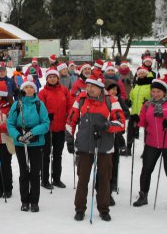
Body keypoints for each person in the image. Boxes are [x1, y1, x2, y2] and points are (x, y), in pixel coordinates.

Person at [65, 74, 125, 222]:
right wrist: (69, 139)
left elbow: (121, 123)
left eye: (93, 87)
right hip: (84, 146)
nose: (89, 89)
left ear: (101, 88)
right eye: (88, 86)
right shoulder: (81, 100)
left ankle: (104, 209)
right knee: (83, 179)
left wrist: (106, 126)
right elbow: (70, 120)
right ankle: (80, 209)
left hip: (104, 147)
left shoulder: (112, 101)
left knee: (104, 180)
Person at [133, 76, 167, 210]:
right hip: (151, 143)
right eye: (153, 91)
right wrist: (136, 120)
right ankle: (143, 195)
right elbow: (143, 122)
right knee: (146, 170)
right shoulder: (147, 105)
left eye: (158, 91)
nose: (155, 94)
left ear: (164, 92)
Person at [7, 76, 49, 212]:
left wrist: (32, 133)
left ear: (35, 90)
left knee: (35, 173)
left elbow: (46, 123)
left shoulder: (39, 104)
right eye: (26, 87)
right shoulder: (17, 104)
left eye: (31, 87)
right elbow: (10, 124)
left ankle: (34, 201)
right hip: (21, 144)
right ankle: (24, 200)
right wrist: (18, 136)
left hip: (36, 143)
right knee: (24, 172)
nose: (29, 89)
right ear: (22, 89)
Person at [38, 68, 73, 189]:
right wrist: (46, 116)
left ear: (58, 78)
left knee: (58, 154)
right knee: (46, 154)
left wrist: (69, 115)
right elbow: (40, 107)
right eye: (50, 77)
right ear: (47, 79)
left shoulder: (64, 90)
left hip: (60, 128)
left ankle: (57, 178)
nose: (52, 78)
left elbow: (70, 105)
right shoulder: (43, 92)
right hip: (48, 129)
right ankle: (44, 179)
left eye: (54, 77)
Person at [104, 79, 129, 205]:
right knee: (106, 163)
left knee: (115, 160)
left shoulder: (119, 100)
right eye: (112, 89)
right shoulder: (103, 100)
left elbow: (126, 113)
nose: (114, 91)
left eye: (116, 89)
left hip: (116, 135)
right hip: (105, 135)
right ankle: (105, 187)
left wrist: (118, 116)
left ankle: (113, 182)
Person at [127, 67, 152, 156]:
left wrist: (148, 102)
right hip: (134, 111)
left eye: (143, 73)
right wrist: (129, 100)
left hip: (145, 113)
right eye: (139, 74)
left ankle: (146, 150)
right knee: (130, 130)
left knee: (147, 132)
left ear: (146, 74)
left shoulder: (150, 85)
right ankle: (128, 148)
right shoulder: (136, 85)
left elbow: (153, 97)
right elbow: (131, 95)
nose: (141, 75)